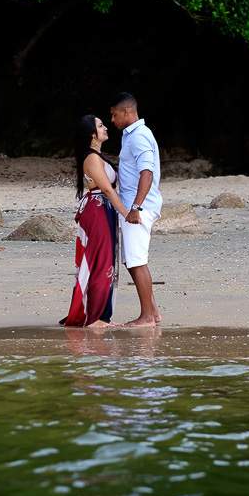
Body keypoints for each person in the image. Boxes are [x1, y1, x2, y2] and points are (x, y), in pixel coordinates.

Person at [61, 114, 131, 327]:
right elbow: (108, 190)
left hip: (103, 210)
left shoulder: (97, 156)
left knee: (105, 262)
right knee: (100, 263)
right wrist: (128, 215)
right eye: (101, 126)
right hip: (98, 210)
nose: (106, 128)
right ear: (92, 134)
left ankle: (100, 315)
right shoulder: (91, 158)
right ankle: (96, 318)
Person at [109, 92, 162, 327]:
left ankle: (147, 317)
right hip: (134, 205)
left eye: (114, 114)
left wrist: (135, 207)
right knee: (132, 260)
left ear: (126, 112)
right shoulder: (131, 135)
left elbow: (147, 172)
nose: (112, 119)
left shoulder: (139, 136)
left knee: (136, 261)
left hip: (139, 206)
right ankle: (154, 313)